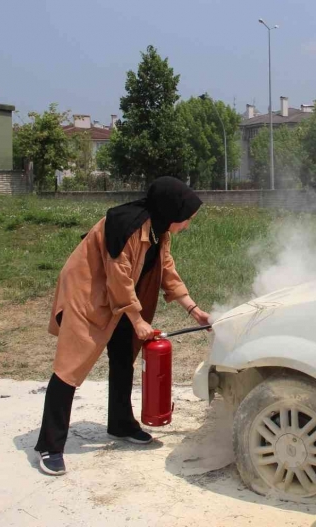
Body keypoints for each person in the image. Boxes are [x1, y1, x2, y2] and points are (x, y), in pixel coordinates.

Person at [34, 177, 210, 476]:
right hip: (87, 295)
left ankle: (120, 423)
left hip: (117, 299)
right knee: (69, 368)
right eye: (187, 219)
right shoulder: (125, 227)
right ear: (171, 211)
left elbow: (167, 269)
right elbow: (119, 277)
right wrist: (138, 319)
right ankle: (49, 445)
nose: (187, 225)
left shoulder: (159, 231)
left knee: (122, 357)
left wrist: (193, 309)